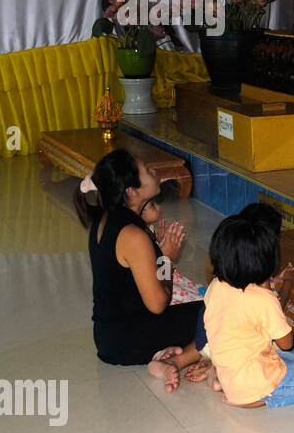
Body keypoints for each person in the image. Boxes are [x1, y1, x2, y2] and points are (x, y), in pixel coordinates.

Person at [74, 149, 203, 392]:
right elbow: (158, 304)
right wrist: (167, 259)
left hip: (108, 336)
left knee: (199, 309)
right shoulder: (133, 235)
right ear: (131, 191)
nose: (154, 172)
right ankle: (177, 359)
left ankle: (165, 352)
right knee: (214, 313)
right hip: (129, 339)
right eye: (147, 170)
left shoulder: (106, 220)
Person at [203, 215, 294, 409]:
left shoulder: (217, 285)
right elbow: (286, 343)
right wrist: (282, 285)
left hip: (229, 370)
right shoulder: (262, 299)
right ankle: (257, 399)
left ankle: (226, 384)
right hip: (253, 384)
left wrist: (276, 282)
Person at [184, 202, 294, 385]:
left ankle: (213, 364)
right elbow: (279, 332)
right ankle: (219, 371)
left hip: (210, 342)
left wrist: (276, 280)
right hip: (233, 353)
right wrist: (288, 283)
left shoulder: (223, 272)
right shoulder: (261, 291)